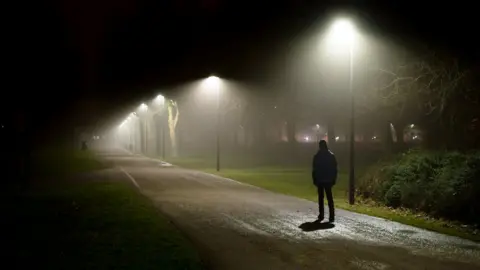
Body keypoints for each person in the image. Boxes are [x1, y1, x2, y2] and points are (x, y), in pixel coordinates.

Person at [312, 140, 338, 222]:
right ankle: (331, 215)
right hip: (328, 179)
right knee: (329, 198)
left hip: (320, 179)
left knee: (321, 198)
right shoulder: (331, 155)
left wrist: (314, 179)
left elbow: (314, 169)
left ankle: (321, 214)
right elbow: (334, 168)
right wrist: (334, 178)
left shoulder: (317, 156)